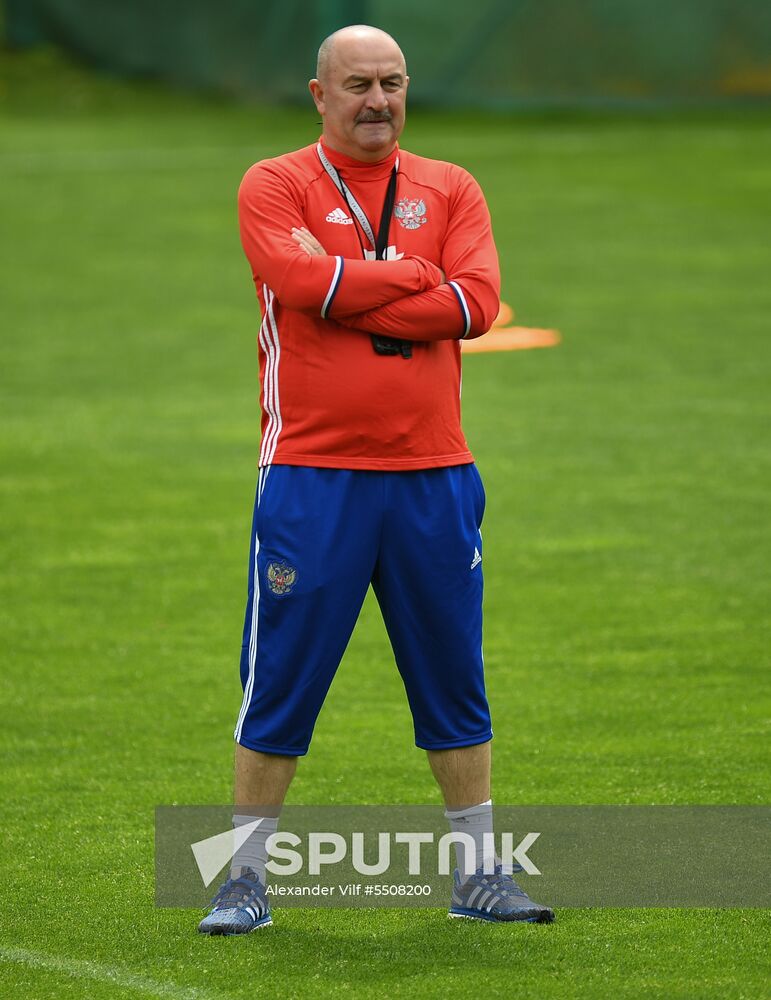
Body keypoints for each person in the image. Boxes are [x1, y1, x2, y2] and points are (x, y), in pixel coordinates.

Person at [198, 24, 554, 934]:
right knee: (280, 678)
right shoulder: (275, 183)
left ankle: (478, 876)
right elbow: (295, 281)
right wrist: (409, 278)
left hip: (435, 475)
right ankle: (243, 880)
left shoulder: (450, 186)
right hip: (312, 474)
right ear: (319, 95)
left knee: (454, 678)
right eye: (357, 84)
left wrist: (353, 287)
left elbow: (474, 304)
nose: (377, 101)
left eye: (391, 83)